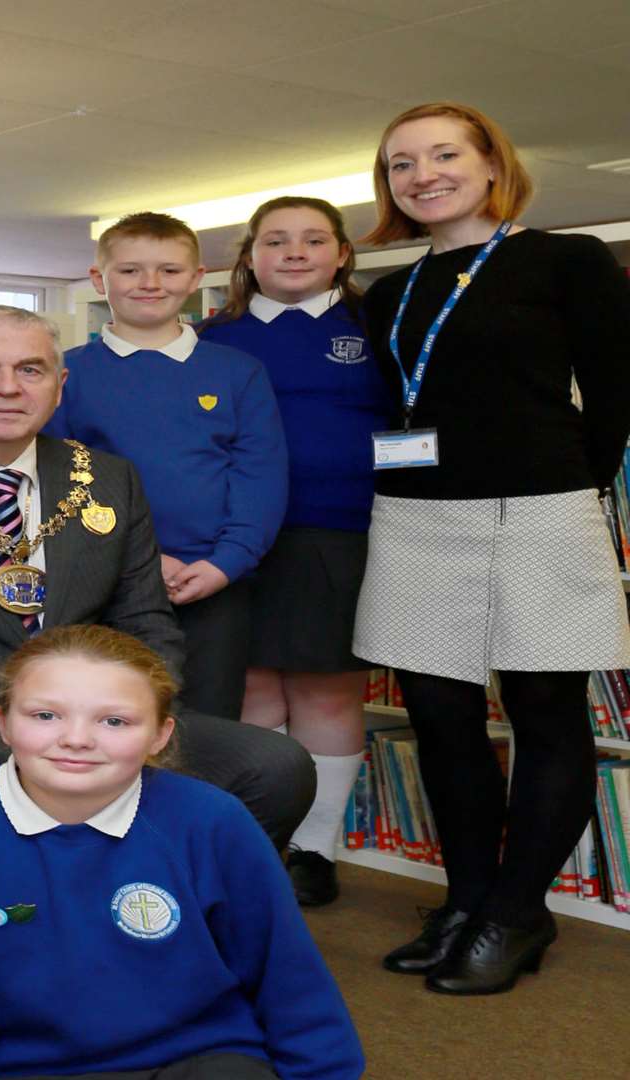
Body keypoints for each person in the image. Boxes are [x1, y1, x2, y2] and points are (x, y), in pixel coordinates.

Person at [0, 304, 313, 1060]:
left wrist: (122, 720)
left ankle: (156, 951)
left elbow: (150, 626)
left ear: (58, 384)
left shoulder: (107, 479)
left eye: (30, 369)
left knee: (272, 767)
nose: (6, 386)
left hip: (87, 712)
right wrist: (22, 725)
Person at [352, 102, 630, 994]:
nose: (422, 174)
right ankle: (467, 901)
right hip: (415, 517)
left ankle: (517, 914)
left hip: (538, 511)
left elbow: (616, 392)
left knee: (547, 718)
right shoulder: (391, 293)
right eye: (401, 164)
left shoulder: (565, 260)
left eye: (443, 155)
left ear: (489, 164)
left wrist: (562, 479)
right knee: (442, 720)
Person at [0, 625, 365, 1080]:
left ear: (160, 734)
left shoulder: (213, 819)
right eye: (44, 715)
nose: (76, 739)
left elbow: (288, 977)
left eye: (114, 721)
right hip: (28, 1066)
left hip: (200, 1056)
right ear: (3, 723)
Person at [199, 197, 395, 907]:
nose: (294, 252)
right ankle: (261, 840)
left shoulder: (380, 327)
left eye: (314, 239)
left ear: (343, 253)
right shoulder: (208, 337)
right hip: (231, 539)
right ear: (249, 256)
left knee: (325, 689)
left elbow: (418, 423)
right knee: (248, 688)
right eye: (276, 240)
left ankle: (315, 849)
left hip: (339, 531)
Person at [44, 212, 289, 720]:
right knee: (109, 718)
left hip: (213, 582)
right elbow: (56, 482)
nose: (150, 284)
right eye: (131, 270)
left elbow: (259, 477)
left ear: (198, 279)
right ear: (99, 279)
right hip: (104, 583)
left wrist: (227, 563)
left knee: (206, 722)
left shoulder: (238, 372)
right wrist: (139, 562)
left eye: (170, 271)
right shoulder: (64, 375)